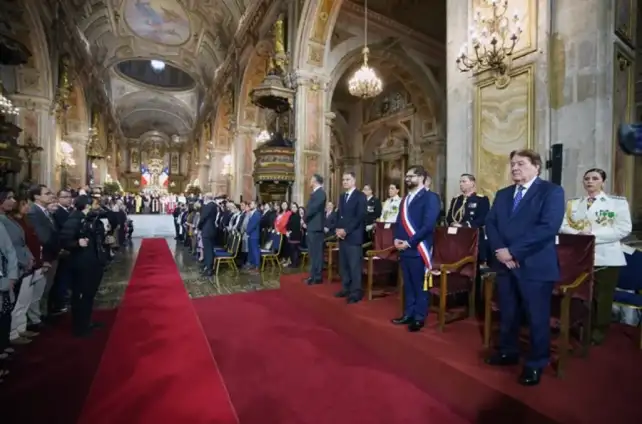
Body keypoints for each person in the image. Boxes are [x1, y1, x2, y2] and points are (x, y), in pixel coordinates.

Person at [484, 149, 565, 386]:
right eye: (512, 164)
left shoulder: (551, 191)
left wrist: (514, 251)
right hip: (505, 264)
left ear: (536, 166)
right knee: (508, 312)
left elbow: (548, 227)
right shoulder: (503, 194)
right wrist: (501, 250)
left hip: (535, 265)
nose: (515, 168)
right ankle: (508, 351)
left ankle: (536, 362)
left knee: (536, 316)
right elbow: (490, 223)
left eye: (520, 163)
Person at [559, 168, 632, 345]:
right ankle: (582, 326)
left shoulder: (616, 204)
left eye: (594, 178)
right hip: (580, 256)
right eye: (587, 179)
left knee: (602, 296)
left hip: (606, 256)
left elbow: (623, 229)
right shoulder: (574, 203)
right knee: (580, 294)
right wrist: (579, 234)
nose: (590, 181)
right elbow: (562, 225)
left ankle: (599, 331)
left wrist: (592, 236)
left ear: (603, 182)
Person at [390, 166, 441, 332]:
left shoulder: (431, 197)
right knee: (408, 284)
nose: (407, 179)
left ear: (421, 177)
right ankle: (408, 314)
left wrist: (409, 242)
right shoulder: (405, 199)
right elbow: (399, 222)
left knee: (420, 285)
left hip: (419, 249)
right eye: (406, 176)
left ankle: (419, 317)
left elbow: (428, 225)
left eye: (410, 176)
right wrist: (396, 238)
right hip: (404, 249)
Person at [59, 195, 108, 338]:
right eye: (95, 204)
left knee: (89, 295)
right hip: (81, 263)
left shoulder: (90, 219)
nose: (98, 207)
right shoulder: (74, 219)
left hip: (93, 262)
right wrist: (76, 243)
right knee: (81, 296)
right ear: (87, 206)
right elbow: (64, 240)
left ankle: (86, 322)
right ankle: (80, 327)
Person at [335, 171, 367, 303]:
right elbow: (340, 215)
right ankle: (346, 288)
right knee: (344, 265)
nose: (344, 182)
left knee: (354, 266)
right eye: (343, 179)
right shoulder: (342, 196)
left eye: (347, 179)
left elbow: (360, 216)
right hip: (342, 236)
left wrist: (346, 230)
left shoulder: (360, 196)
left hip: (354, 236)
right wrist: (337, 228)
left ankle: (356, 292)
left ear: (354, 181)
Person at [304, 174, 327, 285]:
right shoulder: (315, 193)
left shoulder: (321, 193)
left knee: (317, 253)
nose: (310, 181)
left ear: (316, 181)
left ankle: (317, 276)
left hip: (316, 227)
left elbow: (313, 209)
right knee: (312, 253)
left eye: (311, 179)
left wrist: (304, 218)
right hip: (312, 226)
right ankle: (313, 275)